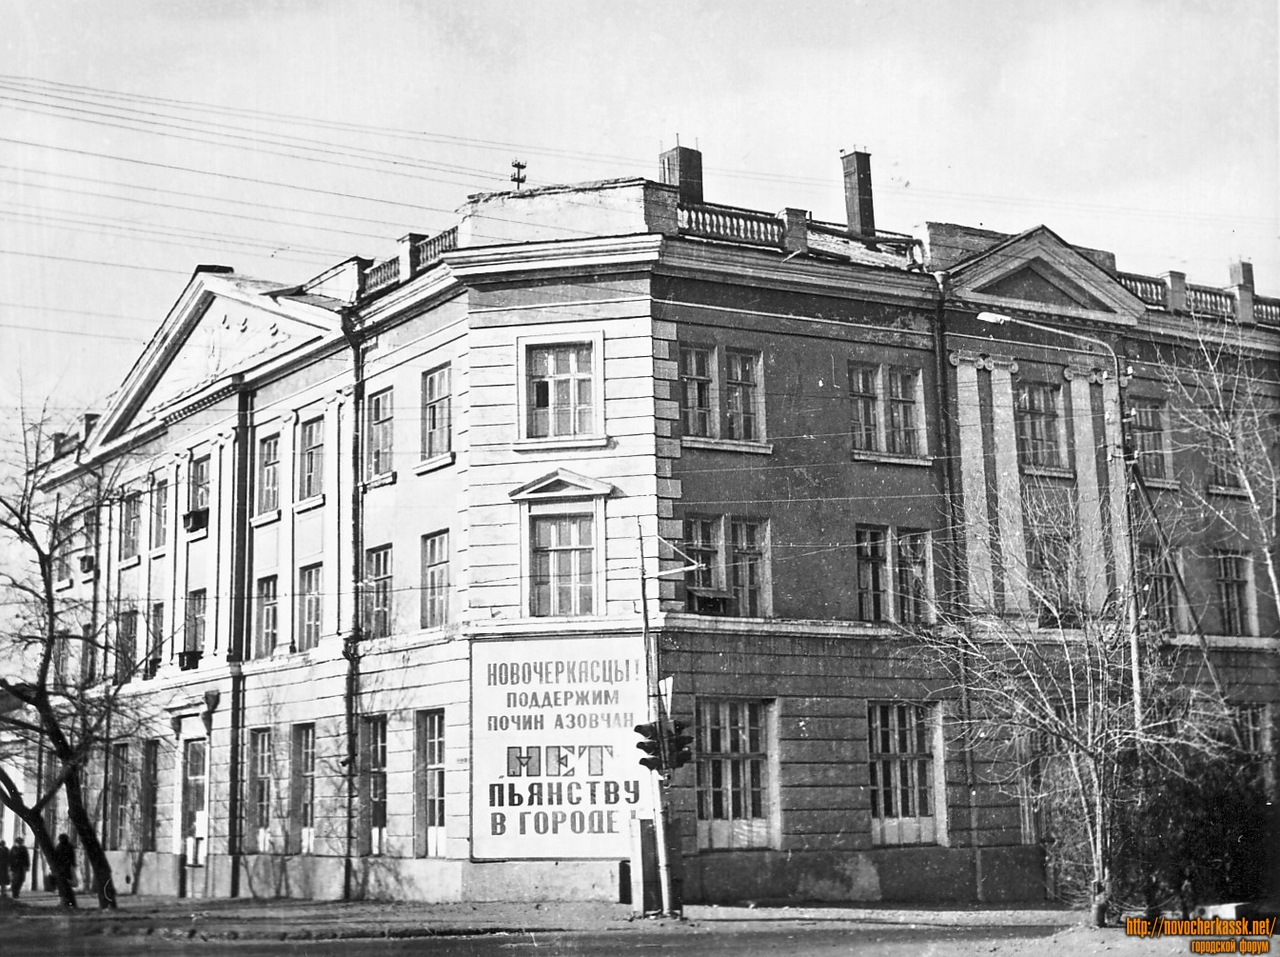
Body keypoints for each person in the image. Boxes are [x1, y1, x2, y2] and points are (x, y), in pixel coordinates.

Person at [52, 834, 76, 907]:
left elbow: (56, 858)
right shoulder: (69, 847)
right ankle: (68, 902)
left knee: (62, 886)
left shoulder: (59, 847)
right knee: (66, 885)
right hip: (67, 868)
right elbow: (72, 858)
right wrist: (73, 865)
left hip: (61, 869)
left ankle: (64, 902)